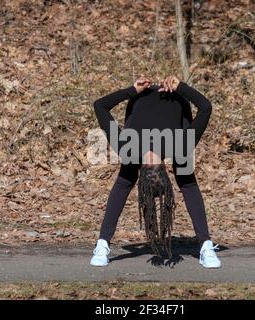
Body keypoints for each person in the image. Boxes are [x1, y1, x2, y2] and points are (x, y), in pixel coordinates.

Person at [90, 75, 221, 268]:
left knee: (125, 179)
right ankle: (206, 245)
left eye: (147, 163)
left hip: (144, 97)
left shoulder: (129, 149)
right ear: (164, 168)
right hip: (176, 98)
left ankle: (102, 244)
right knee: (187, 181)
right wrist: (180, 87)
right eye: (155, 162)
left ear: (142, 169)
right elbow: (206, 108)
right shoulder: (179, 148)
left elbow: (100, 106)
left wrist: (132, 90)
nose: (151, 157)